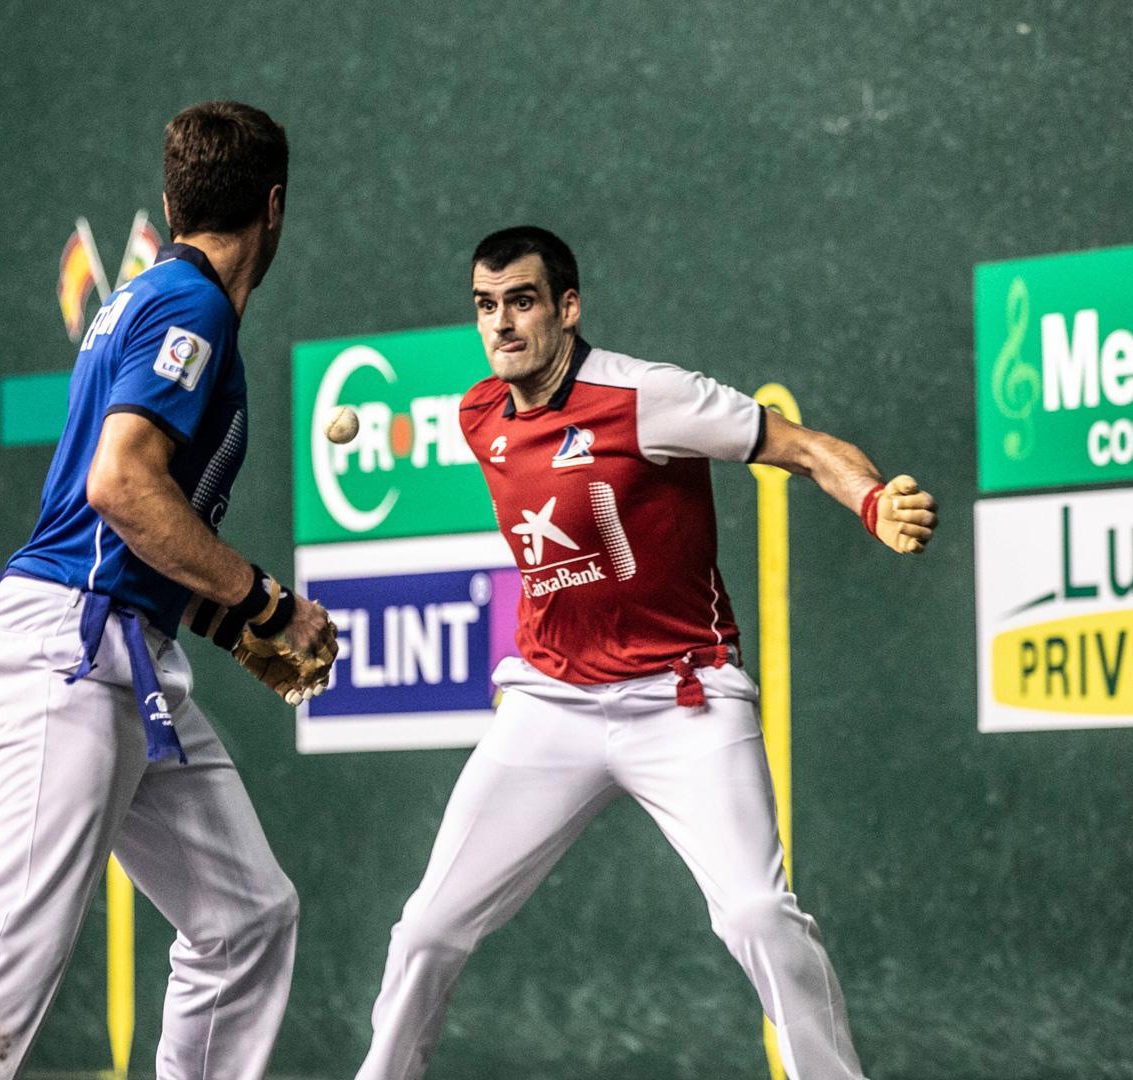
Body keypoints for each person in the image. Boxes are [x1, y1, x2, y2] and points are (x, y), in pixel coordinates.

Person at [354, 226, 936, 1080]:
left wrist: (872, 498)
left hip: (684, 699)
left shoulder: (648, 397)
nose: (502, 324)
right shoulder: (479, 415)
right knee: (428, 930)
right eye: (486, 307)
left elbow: (801, 447)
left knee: (756, 916)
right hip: (550, 705)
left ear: (567, 307)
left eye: (521, 302)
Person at [0, 101, 336, 1080]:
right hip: (71, 653)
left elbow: (139, 530)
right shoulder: (192, 305)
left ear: (173, 202)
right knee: (10, 950)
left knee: (246, 916)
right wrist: (264, 602)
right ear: (275, 207)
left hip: (124, 652)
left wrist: (242, 624)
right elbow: (122, 485)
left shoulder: (142, 300)